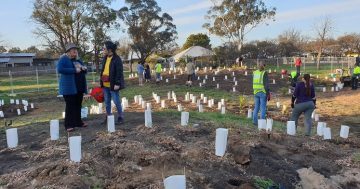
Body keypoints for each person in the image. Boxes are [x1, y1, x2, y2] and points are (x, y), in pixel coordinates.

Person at [57, 43, 88, 132]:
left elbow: (84, 71)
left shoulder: (78, 60)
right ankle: (68, 124)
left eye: (75, 50)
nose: (75, 51)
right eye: (72, 50)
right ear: (68, 52)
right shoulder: (63, 59)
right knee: (70, 106)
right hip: (69, 87)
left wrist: (84, 69)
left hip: (79, 87)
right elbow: (60, 69)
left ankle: (78, 122)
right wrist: (74, 70)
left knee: (78, 105)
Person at [100, 41, 125, 124]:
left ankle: (120, 117)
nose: (103, 50)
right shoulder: (105, 58)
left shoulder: (117, 59)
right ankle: (108, 117)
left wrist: (117, 83)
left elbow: (119, 72)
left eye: (104, 48)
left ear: (109, 49)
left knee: (116, 101)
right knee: (107, 102)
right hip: (105, 84)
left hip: (113, 84)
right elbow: (103, 70)